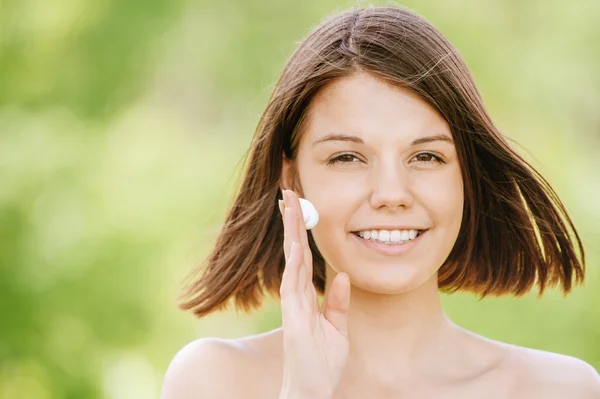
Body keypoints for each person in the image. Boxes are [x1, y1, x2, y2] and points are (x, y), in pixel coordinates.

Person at [160, 4, 600, 398]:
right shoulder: (214, 381)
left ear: (466, 173)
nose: (391, 194)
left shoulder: (562, 389)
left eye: (426, 156)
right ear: (290, 178)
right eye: (347, 157)